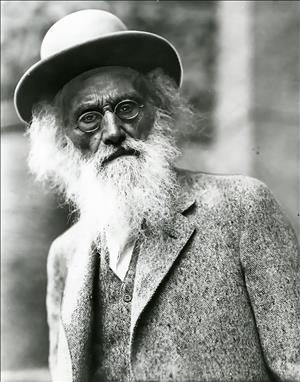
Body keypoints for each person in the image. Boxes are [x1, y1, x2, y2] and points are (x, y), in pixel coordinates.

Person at [14, 9, 300, 382]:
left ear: (159, 110)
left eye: (127, 108)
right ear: (63, 137)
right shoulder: (64, 256)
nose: (114, 131)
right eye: (89, 117)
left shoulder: (243, 207)